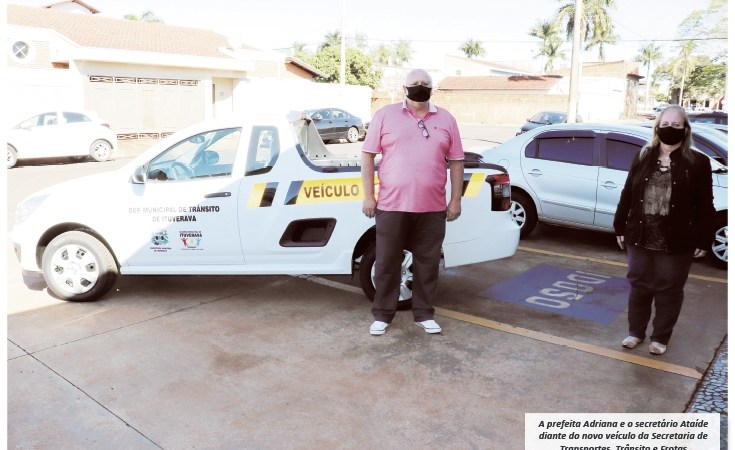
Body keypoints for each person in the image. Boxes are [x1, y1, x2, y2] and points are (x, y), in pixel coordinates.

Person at [361, 68, 464, 336]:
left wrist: (455, 199)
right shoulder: (385, 115)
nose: (420, 86)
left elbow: (456, 161)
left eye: (424, 83)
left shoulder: (446, 119)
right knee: (387, 263)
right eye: (414, 83)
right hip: (391, 206)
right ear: (404, 88)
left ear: (432, 88)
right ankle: (382, 315)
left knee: (427, 264)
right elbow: (368, 155)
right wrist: (369, 195)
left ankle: (424, 314)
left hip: (432, 208)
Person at [613, 105, 714, 355]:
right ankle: (635, 332)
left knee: (669, 289)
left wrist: (705, 238)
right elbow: (628, 193)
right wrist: (619, 225)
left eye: (676, 125)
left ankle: (660, 337)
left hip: (676, 240)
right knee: (639, 286)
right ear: (657, 127)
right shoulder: (643, 156)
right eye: (665, 124)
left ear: (685, 129)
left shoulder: (698, 162)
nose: (670, 129)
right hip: (640, 235)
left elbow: (705, 204)